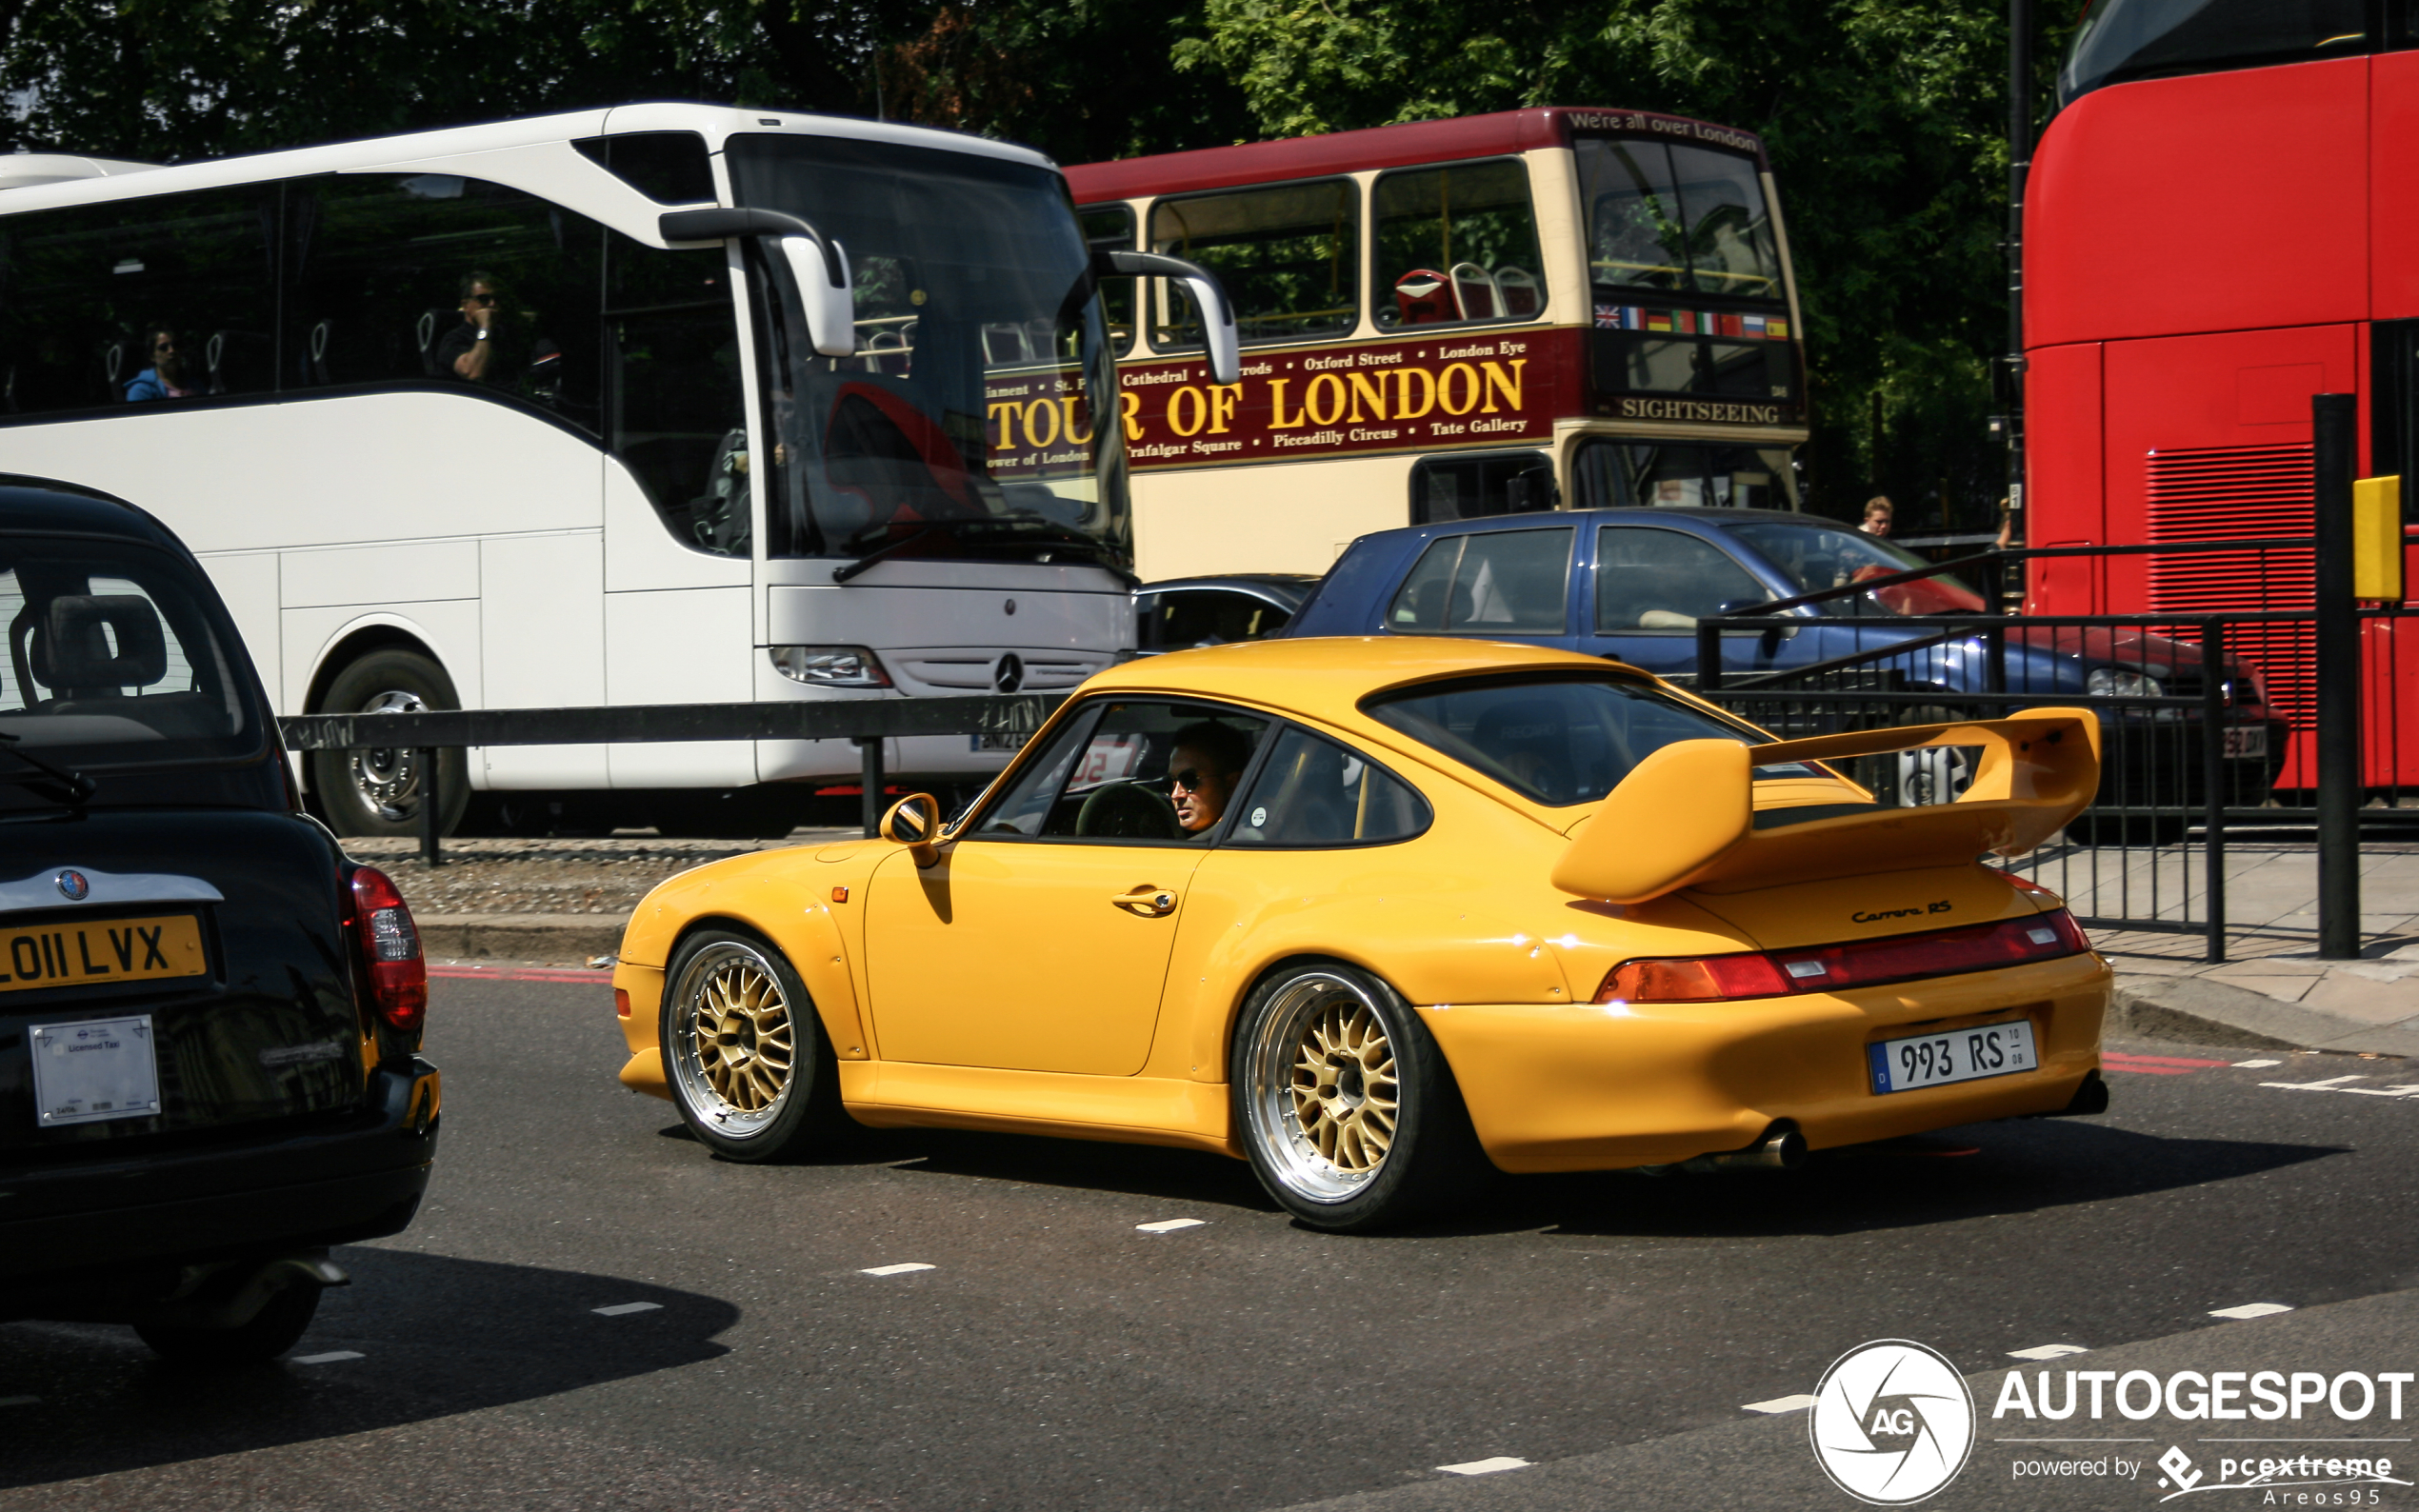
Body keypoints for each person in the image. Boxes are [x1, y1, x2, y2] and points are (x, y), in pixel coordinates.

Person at [1168, 720, 1252, 836]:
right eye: (1170, 782)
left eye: (1190, 780)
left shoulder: (1247, 842)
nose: (1176, 795)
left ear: (1231, 784)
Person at [434, 270, 503, 384]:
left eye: (496, 298)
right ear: (466, 305)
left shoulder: (503, 335)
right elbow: (472, 373)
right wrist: (485, 327)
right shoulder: (453, 339)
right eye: (484, 299)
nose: (492, 304)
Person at [123, 327, 194, 402]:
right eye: (163, 347)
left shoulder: (195, 384)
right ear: (152, 356)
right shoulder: (141, 390)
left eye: (175, 345)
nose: (171, 351)